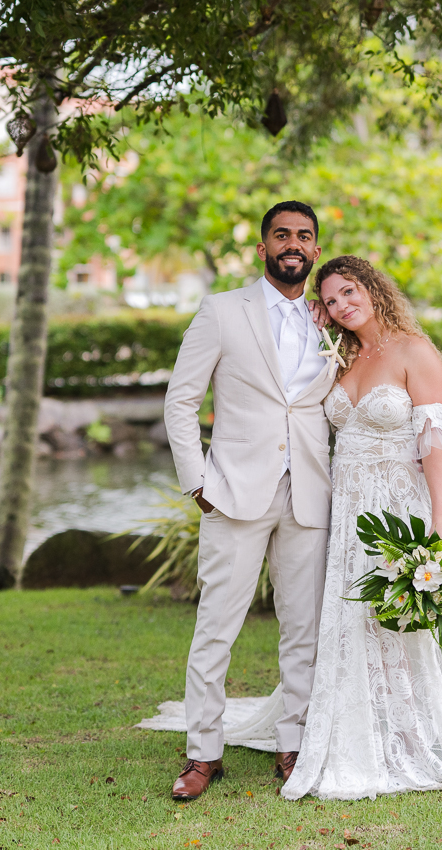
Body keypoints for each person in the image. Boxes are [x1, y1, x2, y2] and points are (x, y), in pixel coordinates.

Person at [143, 253, 442, 801]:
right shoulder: (340, 355)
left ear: (374, 289)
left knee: (400, 615)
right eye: (329, 300)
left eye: (349, 292)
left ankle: (408, 724)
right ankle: (300, 728)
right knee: (345, 617)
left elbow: (434, 443)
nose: (341, 305)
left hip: (398, 504)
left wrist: (441, 521)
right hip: (343, 507)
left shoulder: (414, 352)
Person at [158, 201, 338, 801]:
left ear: (315, 250)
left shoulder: (329, 319)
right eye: (282, 234)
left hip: (311, 492)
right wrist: (198, 483)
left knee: (303, 628)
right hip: (233, 493)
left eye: (304, 236)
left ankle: (294, 743)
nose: (294, 243)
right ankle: (202, 752)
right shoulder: (219, 311)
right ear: (263, 248)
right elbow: (181, 400)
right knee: (217, 628)